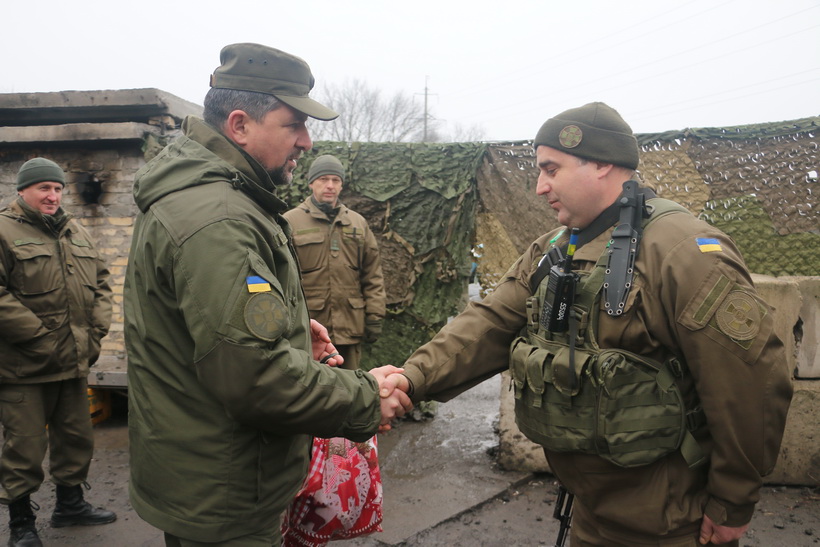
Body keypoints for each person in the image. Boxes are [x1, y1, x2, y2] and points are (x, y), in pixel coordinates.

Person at [381, 102, 793, 546]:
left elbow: (750, 382)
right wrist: (412, 378)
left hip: (671, 523)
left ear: (601, 164)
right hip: (590, 511)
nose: (540, 187)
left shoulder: (684, 251)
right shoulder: (557, 247)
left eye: (551, 169)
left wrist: (732, 501)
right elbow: (491, 321)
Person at [123, 43, 410, 546]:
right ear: (239, 125)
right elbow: (256, 377)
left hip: (210, 473)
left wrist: (294, 336)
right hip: (225, 491)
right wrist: (367, 398)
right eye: (293, 124)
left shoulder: (214, 197)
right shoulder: (219, 219)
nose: (306, 141)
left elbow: (213, 339)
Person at [0, 158, 116, 547]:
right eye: (44, 188)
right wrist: (37, 337)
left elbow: (101, 281)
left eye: (58, 188)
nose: (53, 196)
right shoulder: (3, 229)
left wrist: (96, 333)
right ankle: (21, 523)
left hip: (73, 360)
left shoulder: (74, 231)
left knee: (75, 438)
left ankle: (70, 505)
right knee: (24, 446)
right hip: (24, 366)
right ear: (22, 190)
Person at [283, 155, 386, 370]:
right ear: (311, 183)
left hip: (350, 326)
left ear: (341, 185)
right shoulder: (291, 221)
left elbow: (372, 274)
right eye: (323, 179)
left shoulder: (357, 223)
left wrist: (375, 315)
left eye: (335, 180)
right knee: (310, 384)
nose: (330, 185)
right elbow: (282, 275)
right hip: (309, 328)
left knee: (351, 384)